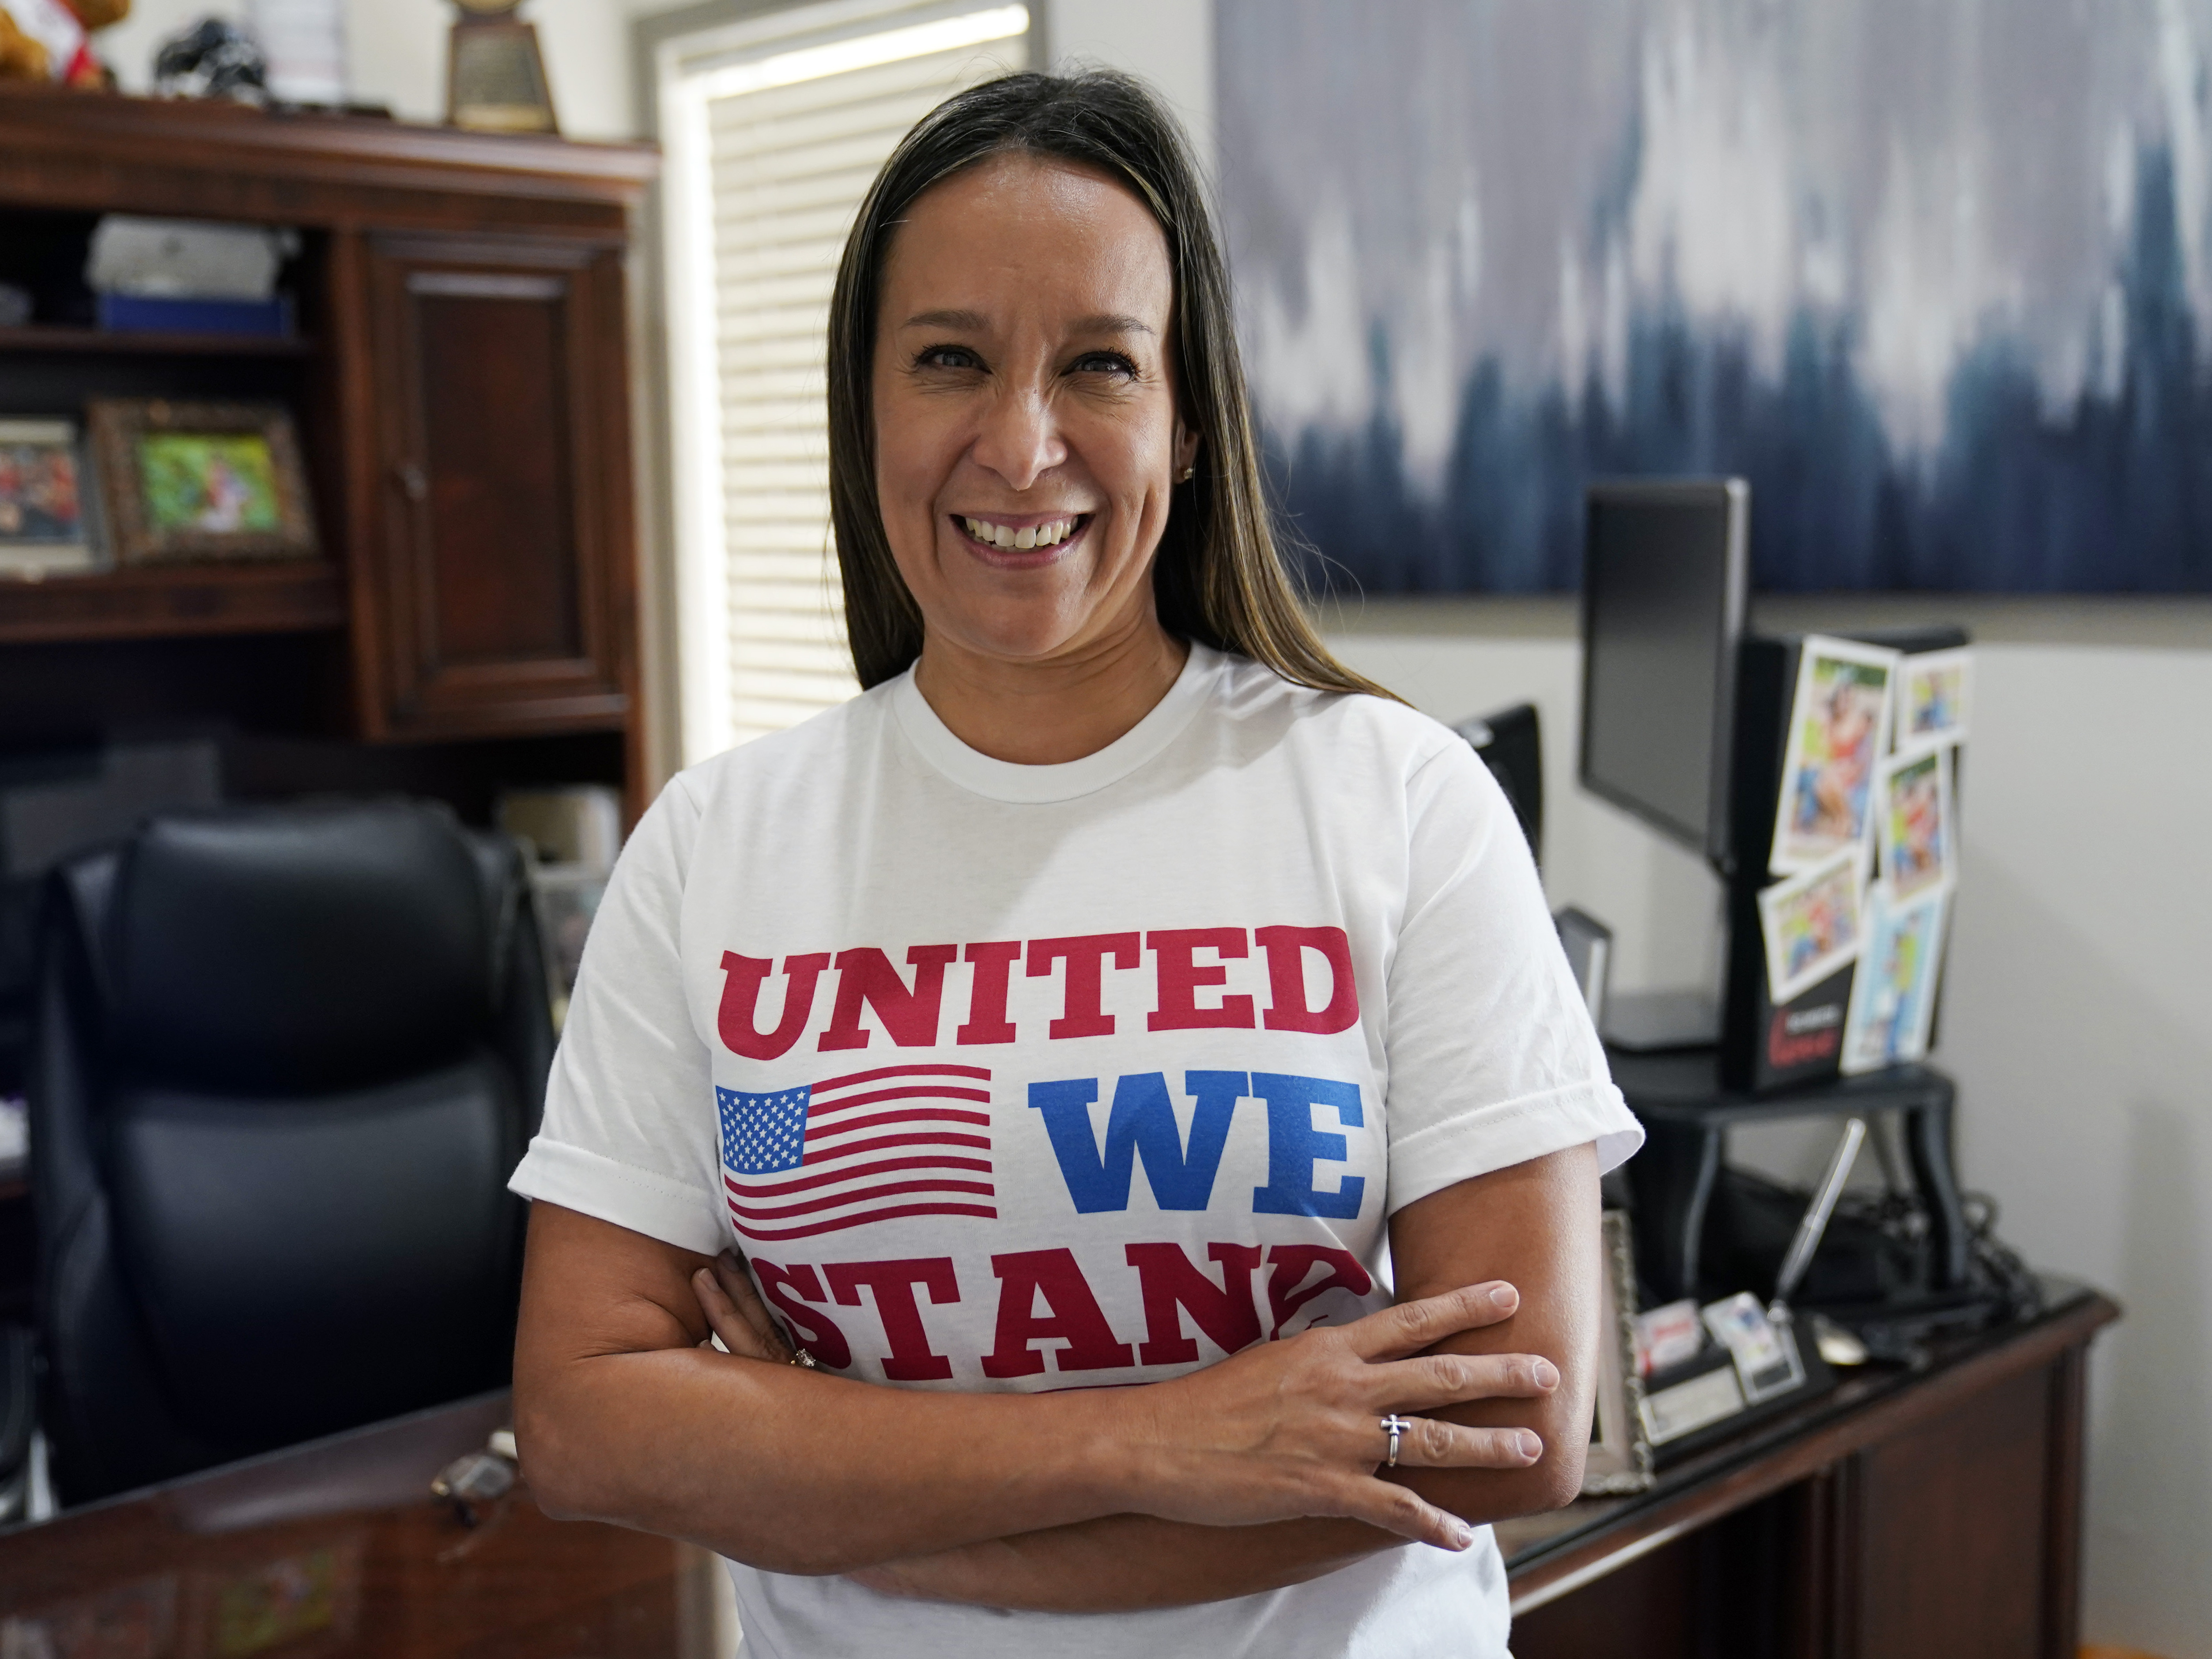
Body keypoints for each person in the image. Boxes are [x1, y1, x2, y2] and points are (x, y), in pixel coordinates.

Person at [510, 70, 1641, 1659]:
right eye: (950, 359)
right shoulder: (716, 844)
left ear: (1186, 417)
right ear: (869, 401)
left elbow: (1513, 1435)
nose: (1020, 444)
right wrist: (1168, 1443)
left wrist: (841, 1489)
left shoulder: (1397, 797)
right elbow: (585, 1425)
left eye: (1098, 365)